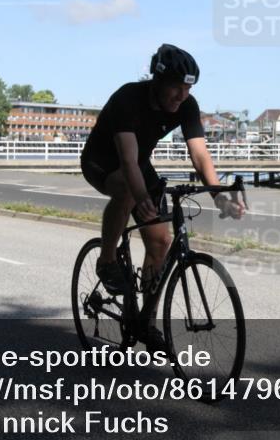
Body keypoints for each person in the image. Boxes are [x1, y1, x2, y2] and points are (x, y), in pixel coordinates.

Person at [81, 45, 245, 343]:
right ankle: (106, 260)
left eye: (187, 88)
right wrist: (141, 198)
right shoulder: (128, 98)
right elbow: (127, 161)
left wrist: (218, 195)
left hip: (139, 166)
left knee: (161, 242)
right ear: (157, 81)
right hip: (102, 162)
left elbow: (200, 155)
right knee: (129, 193)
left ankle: (146, 321)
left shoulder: (187, 105)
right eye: (176, 88)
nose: (181, 96)